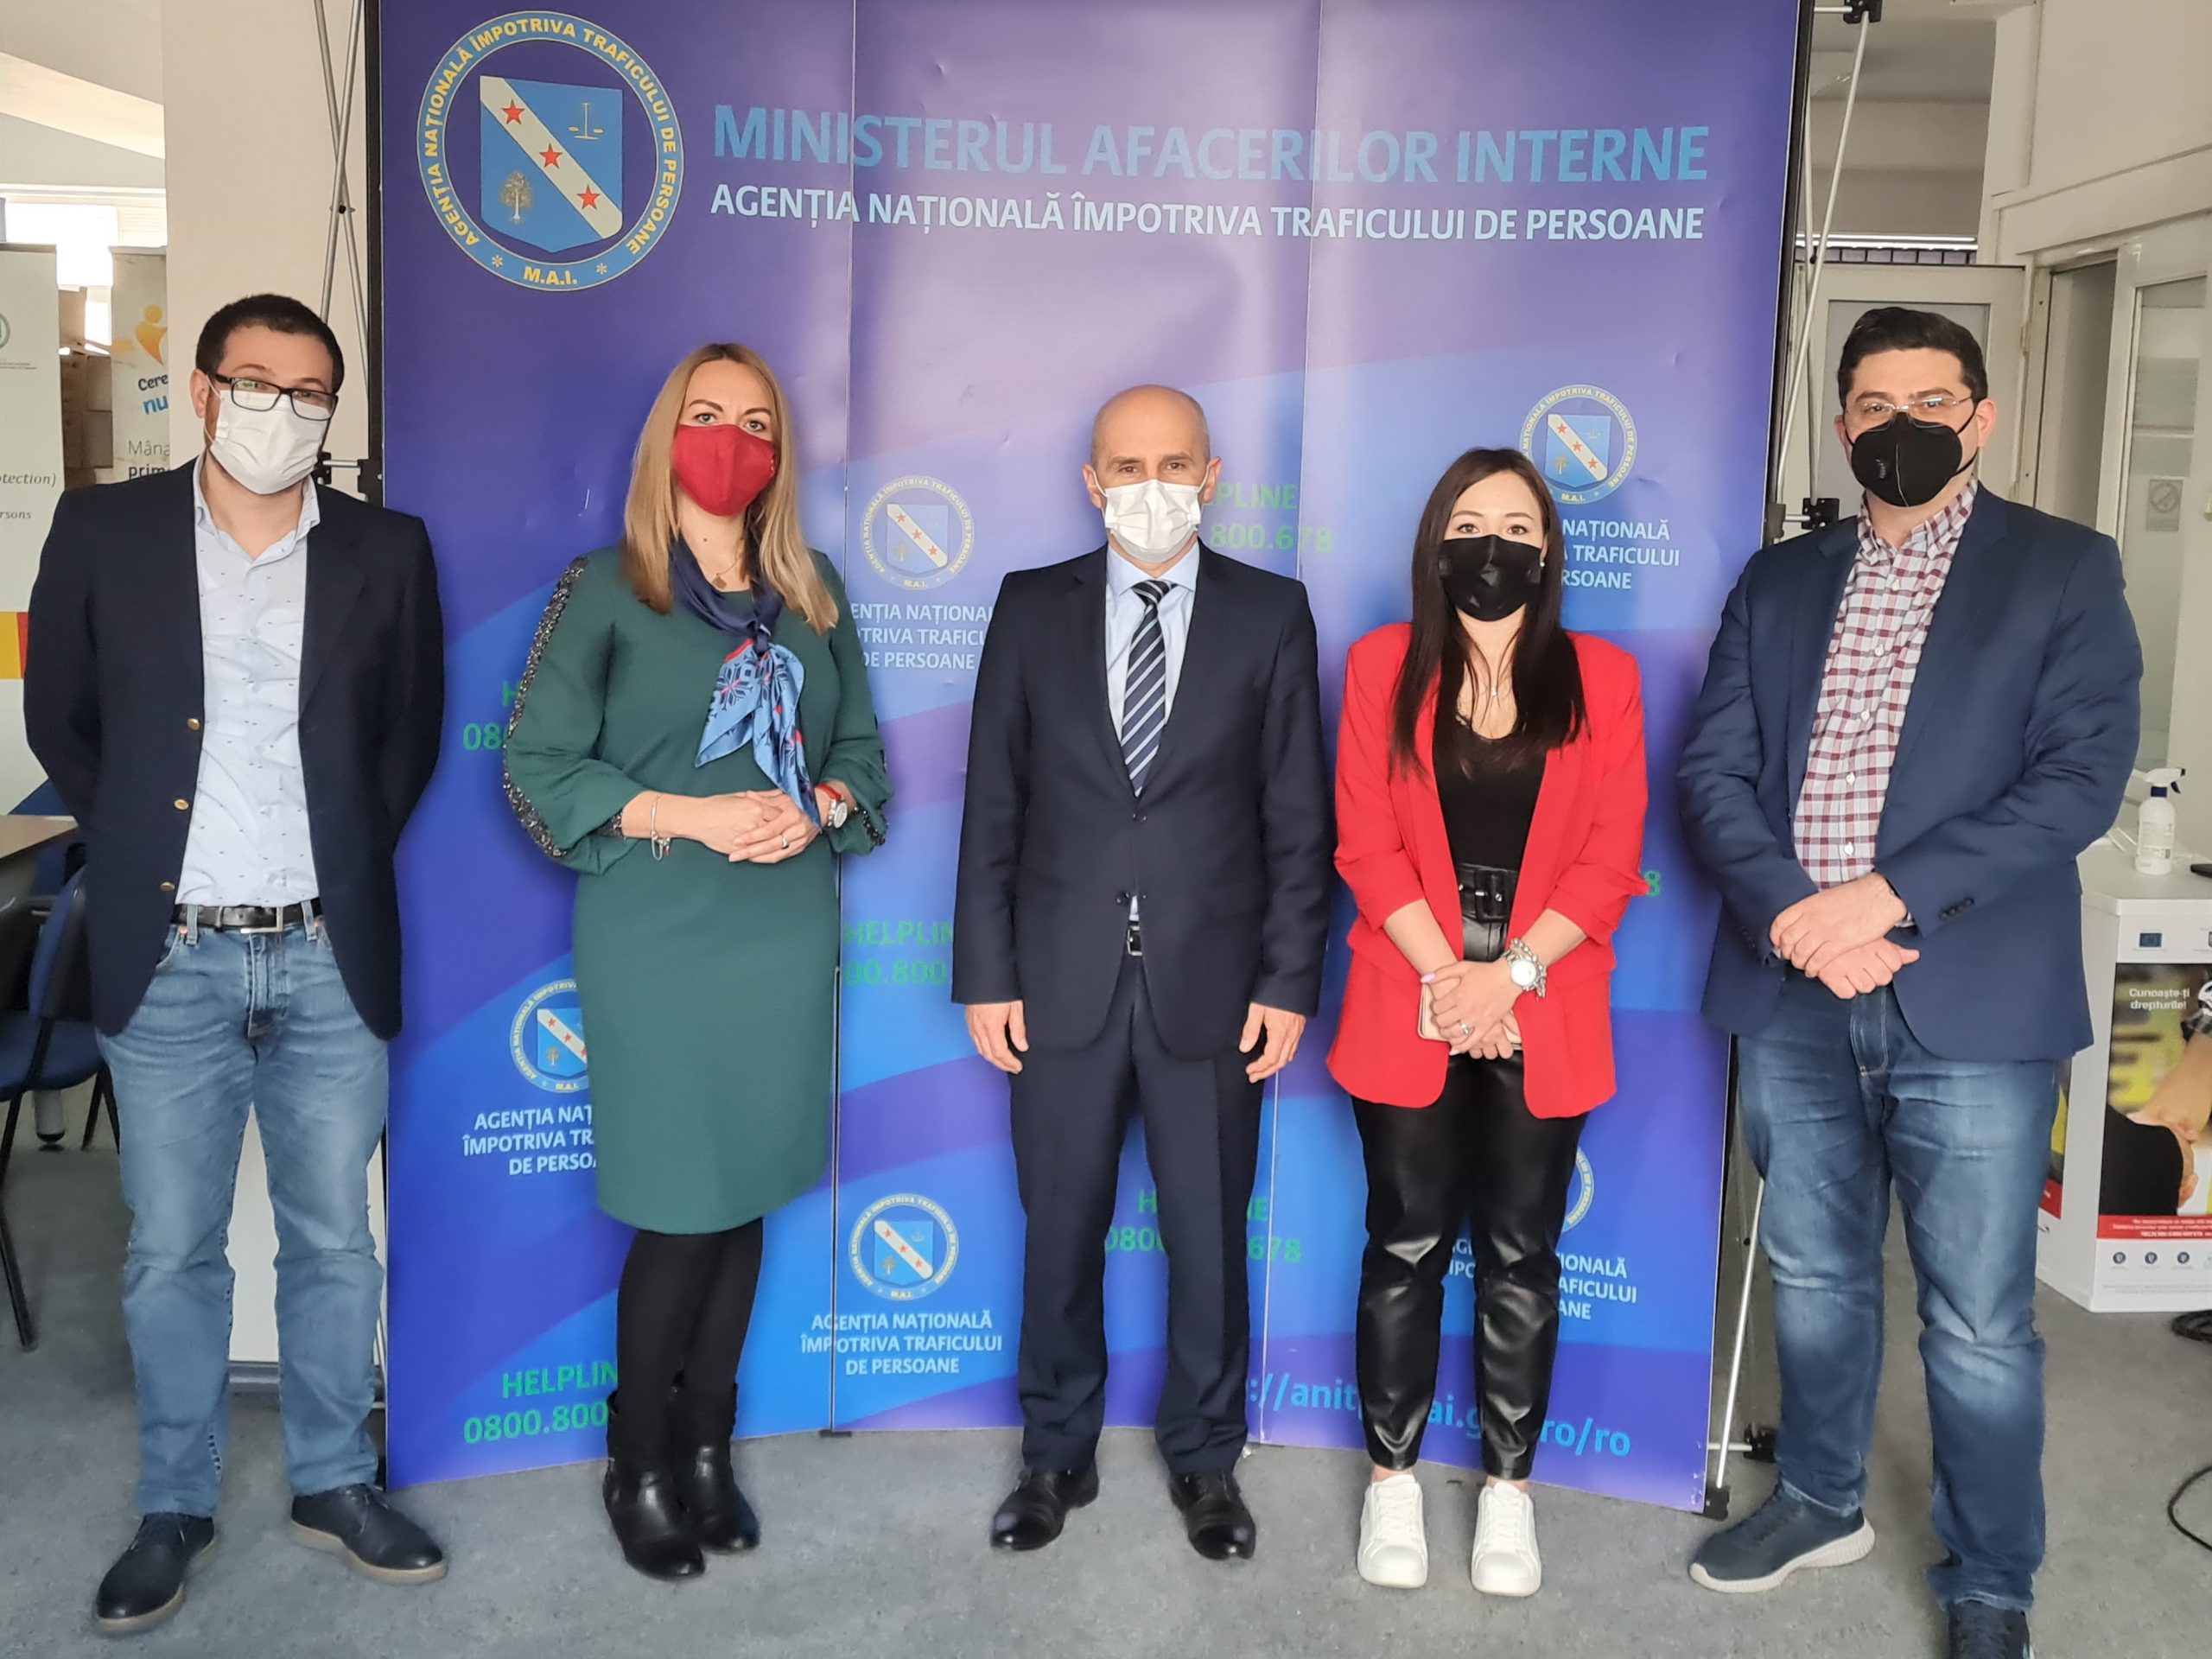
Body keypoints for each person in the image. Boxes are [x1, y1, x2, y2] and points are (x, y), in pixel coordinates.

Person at [1676, 307, 2142, 1659]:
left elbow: (2077, 781)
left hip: (1972, 1000)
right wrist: (1799, 919)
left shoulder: (2063, 567)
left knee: (1980, 1318)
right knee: (1816, 1275)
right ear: (1843, 426)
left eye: (1932, 401)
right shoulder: (1779, 580)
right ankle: (1821, 1501)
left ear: (1981, 418)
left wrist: (1878, 902)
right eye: (1875, 405)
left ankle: (1991, 1575)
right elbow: (1712, 772)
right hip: (1796, 993)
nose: (1902, 426)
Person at [24, 293, 447, 1633]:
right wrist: (148, 846)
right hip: (170, 960)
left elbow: (407, 740)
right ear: (205, 391)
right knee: (171, 1253)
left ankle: (333, 1480)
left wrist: (331, 868)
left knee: (334, 1242)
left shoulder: (387, 548)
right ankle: (174, 1504)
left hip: (327, 954)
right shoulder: (104, 531)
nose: (284, 410)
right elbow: (62, 721)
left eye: (310, 392)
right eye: (257, 382)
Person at [503, 343, 889, 1582]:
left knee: (747, 1192)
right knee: (682, 1207)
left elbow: (863, 753)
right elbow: (536, 764)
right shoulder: (607, 588)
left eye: (757, 422)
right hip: (660, 939)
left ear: (781, 451)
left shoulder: (813, 591)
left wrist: (822, 807)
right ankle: (639, 1461)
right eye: (709, 415)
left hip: (783, 934)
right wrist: (691, 813)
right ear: (668, 435)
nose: (734, 440)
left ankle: (708, 1449)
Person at [953, 385, 1331, 1560]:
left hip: (1215, 987)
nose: (1151, 486)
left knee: (1208, 1240)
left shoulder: (1272, 613)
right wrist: (986, 974)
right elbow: (993, 802)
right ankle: (1053, 1453)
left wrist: (1288, 981)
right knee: (1059, 1231)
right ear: (1092, 481)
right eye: (1127, 466)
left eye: (1174, 464)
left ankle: (1207, 1460)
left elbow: (1297, 820)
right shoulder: (1031, 606)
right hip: (1058, 982)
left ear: (1211, 478)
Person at [1327, 448, 1647, 1597]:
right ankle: (1393, 1481)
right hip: (1408, 990)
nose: (1493, 544)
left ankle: (1509, 1495)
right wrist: (1451, 983)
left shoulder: (1602, 677)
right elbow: (1365, 841)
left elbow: (1610, 859)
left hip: (1541, 1001)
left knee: (1522, 1256)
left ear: (1548, 550)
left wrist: (1505, 978)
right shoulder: (1381, 664)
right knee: (1405, 1247)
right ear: (1436, 542)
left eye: (1517, 525)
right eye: (1470, 522)